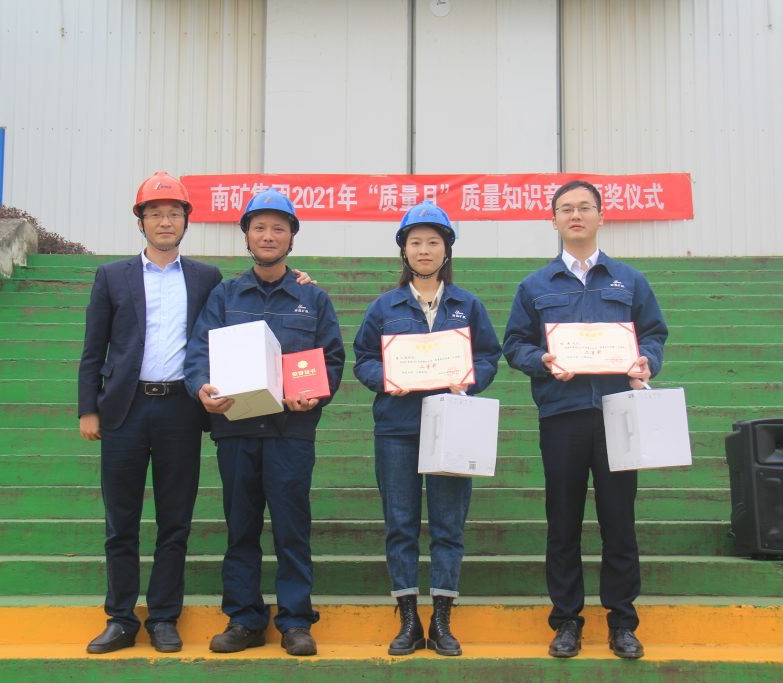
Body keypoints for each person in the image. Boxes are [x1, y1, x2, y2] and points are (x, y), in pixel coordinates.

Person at [502, 180, 668, 660]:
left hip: (619, 412)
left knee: (620, 522)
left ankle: (623, 623)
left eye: (585, 207)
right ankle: (566, 622)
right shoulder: (535, 285)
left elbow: (654, 333)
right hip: (562, 416)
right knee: (563, 522)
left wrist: (647, 361)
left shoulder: (629, 280)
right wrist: (542, 361)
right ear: (553, 219)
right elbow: (515, 344)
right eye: (566, 209)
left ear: (600, 216)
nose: (575, 215)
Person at [183, 187, 344, 657]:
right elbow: (199, 353)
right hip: (236, 430)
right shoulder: (225, 295)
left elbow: (332, 360)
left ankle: (295, 621)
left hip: (291, 433)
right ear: (247, 236)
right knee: (241, 529)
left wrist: (314, 395)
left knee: (292, 529)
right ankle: (244, 619)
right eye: (259, 228)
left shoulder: (312, 298)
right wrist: (201, 388)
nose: (268, 236)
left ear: (292, 237)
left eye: (278, 228)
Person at [77, 171, 222, 655]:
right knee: (121, 522)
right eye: (155, 214)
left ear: (186, 221)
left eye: (174, 213)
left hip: (181, 410)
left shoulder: (205, 278)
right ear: (140, 221)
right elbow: (93, 349)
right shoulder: (112, 276)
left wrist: (300, 278)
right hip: (124, 410)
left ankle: (162, 617)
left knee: (174, 522)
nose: (165, 222)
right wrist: (88, 409)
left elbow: (233, 319)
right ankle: (120, 618)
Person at [353, 201, 501, 657]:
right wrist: (388, 380)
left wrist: (469, 380)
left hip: (453, 425)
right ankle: (407, 621)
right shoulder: (385, 306)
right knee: (400, 525)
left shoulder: (467, 305)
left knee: (447, 526)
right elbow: (364, 359)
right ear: (403, 250)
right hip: (397, 428)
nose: (424, 250)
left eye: (433, 242)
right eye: (415, 242)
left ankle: (441, 622)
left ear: (446, 250)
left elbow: (488, 356)